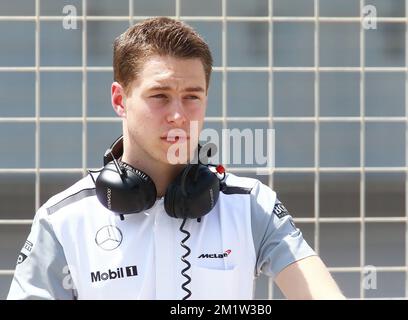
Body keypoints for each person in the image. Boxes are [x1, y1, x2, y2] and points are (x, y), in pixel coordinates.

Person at [7, 17, 344, 300]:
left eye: (191, 97)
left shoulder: (251, 204)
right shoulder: (63, 220)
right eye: (160, 96)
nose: (179, 115)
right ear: (119, 100)